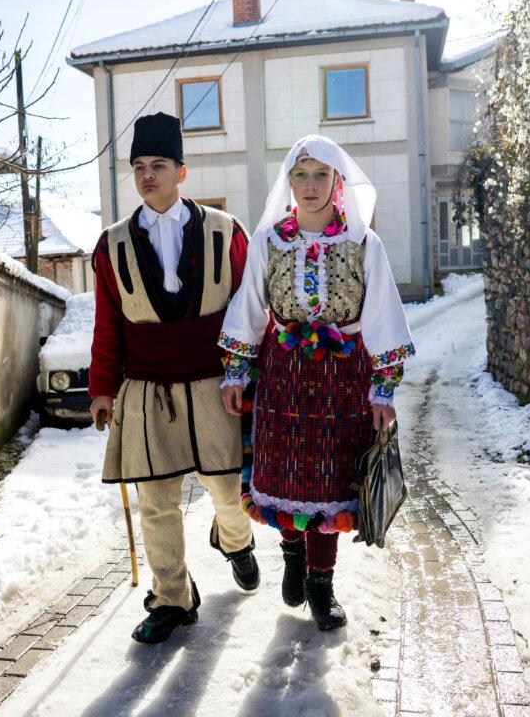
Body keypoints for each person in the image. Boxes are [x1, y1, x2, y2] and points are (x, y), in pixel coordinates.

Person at [218, 135, 414, 631]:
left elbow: (383, 315)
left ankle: (321, 585)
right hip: (283, 374)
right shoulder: (269, 241)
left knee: (329, 480)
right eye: (300, 175)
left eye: (320, 175)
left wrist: (382, 389)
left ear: (337, 181)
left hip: (343, 378)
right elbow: (249, 306)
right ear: (289, 182)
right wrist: (237, 371)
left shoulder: (363, 243)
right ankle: (292, 555)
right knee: (287, 476)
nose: (310, 185)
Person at [89, 112, 259, 644]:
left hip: (216, 386)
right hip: (146, 390)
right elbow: (107, 322)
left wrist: (253, 376)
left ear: (181, 172)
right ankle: (172, 598)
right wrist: (102, 387)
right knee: (156, 502)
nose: (147, 175)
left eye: (158, 165)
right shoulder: (111, 245)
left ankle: (234, 541)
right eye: (139, 166)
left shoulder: (226, 232)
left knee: (228, 490)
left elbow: (249, 310)